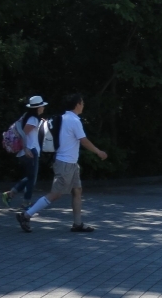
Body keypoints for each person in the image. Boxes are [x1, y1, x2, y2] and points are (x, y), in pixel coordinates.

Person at [16, 94, 107, 234]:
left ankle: (77, 224)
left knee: (77, 191)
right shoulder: (74, 121)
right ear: (77, 104)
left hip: (70, 163)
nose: (83, 105)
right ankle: (26, 215)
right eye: (82, 102)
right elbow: (83, 140)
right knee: (55, 194)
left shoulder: (64, 118)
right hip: (65, 163)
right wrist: (98, 152)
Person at [2, 95, 47, 209]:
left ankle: (10, 194)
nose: (43, 108)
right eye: (42, 106)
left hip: (27, 151)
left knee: (29, 177)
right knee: (32, 178)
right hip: (30, 151)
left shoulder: (28, 117)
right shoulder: (33, 119)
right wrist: (26, 148)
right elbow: (23, 133)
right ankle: (25, 202)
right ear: (37, 108)